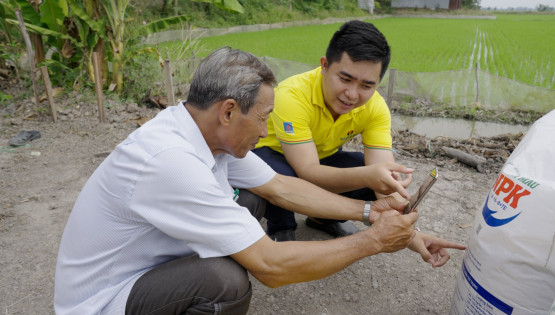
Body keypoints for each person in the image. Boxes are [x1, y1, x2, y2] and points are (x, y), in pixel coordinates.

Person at [54, 47, 466, 315]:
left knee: (250, 204)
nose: (266, 126)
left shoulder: (201, 132)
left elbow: (282, 188)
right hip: (100, 302)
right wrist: (373, 241)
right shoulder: (170, 161)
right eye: (264, 117)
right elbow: (271, 266)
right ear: (229, 111)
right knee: (225, 284)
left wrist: (369, 212)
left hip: (144, 266)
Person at [253, 20, 412, 242]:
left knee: (368, 169)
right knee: (278, 174)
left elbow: (382, 168)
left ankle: (321, 218)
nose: (352, 94)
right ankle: (281, 229)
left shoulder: (375, 108)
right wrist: (369, 176)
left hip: (319, 158)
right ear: (325, 65)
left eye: (366, 86)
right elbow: (307, 170)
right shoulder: (292, 95)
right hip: (275, 153)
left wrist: (400, 206)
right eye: (345, 79)